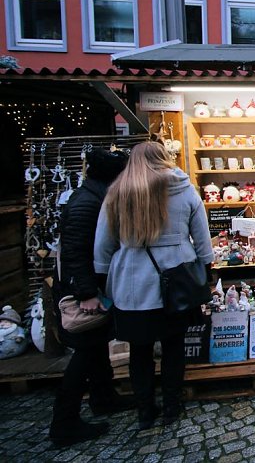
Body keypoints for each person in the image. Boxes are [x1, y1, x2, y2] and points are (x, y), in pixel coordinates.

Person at [94, 142, 213, 430]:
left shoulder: (118, 193)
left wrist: (101, 277)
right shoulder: (183, 188)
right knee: (174, 347)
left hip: (132, 282)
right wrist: (207, 268)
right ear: (164, 159)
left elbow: (103, 243)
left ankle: (145, 410)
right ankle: (172, 406)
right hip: (177, 279)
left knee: (140, 351)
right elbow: (202, 237)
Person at [49, 147, 134, 447]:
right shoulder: (88, 203)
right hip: (81, 291)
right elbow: (75, 251)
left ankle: (104, 397)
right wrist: (85, 293)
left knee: (97, 345)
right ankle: (64, 423)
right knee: (85, 353)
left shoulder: (95, 196)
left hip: (92, 286)